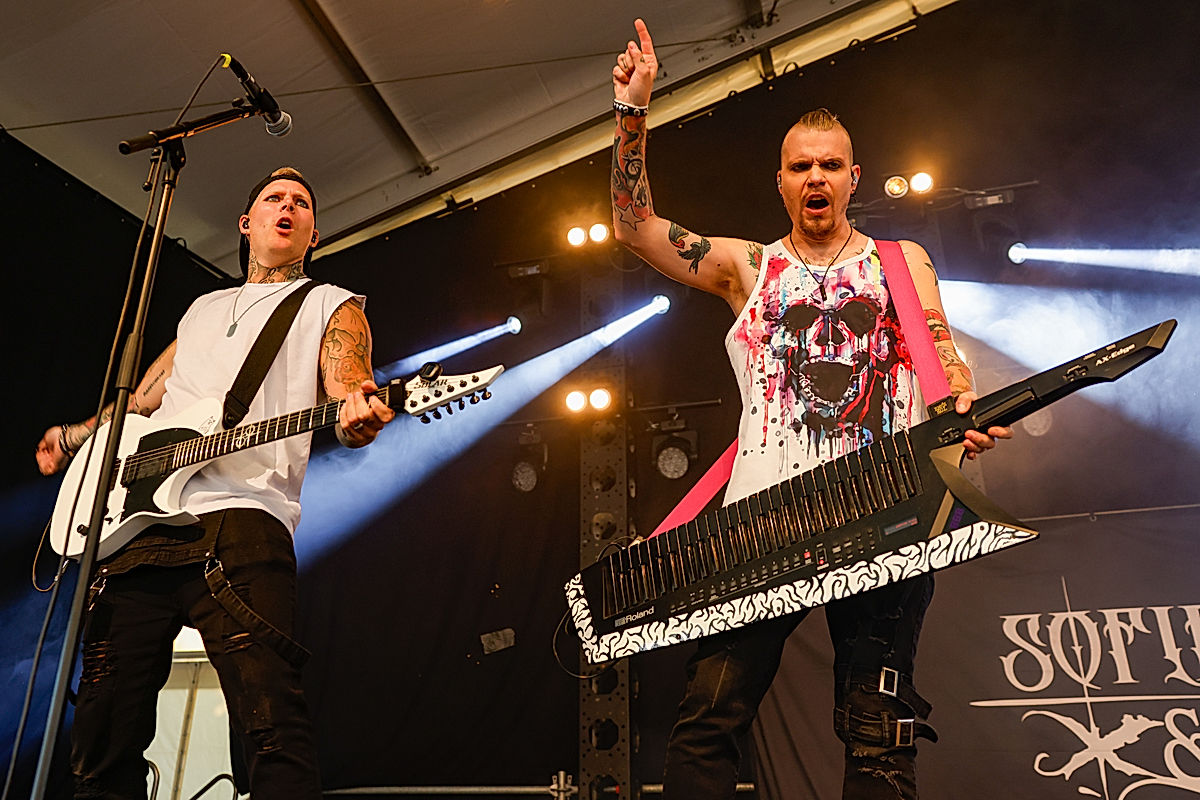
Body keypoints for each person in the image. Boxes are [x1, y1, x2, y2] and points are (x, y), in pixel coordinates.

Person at [610, 20, 1011, 800]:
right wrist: (633, 114)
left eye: (830, 165)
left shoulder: (901, 261)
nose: (816, 177)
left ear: (854, 176)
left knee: (877, 729)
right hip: (768, 516)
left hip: (886, 506)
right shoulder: (746, 267)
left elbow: (941, 353)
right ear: (782, 180)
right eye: (801, 167)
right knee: (710, 713)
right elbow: (635, 228)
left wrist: (963, 406)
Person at [35, 166, 395, 799]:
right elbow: (143, 402)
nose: (288, 207)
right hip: (141, 528)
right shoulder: (201, 310)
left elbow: (348, 383)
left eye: (302, 204)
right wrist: (74, 437)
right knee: (102, 724)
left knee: (269, 719)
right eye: (274, 198)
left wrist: (356, 410)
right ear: (245, 223)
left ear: (312, 233)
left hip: (245, 519)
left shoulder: (328, 304)